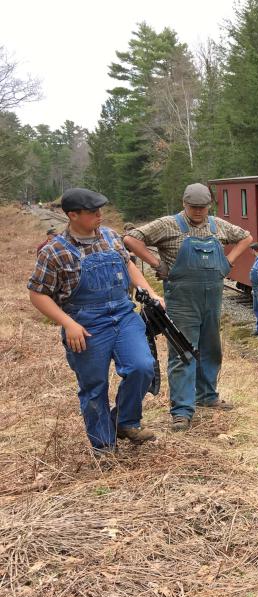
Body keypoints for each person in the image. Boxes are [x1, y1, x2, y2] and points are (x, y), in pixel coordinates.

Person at [27, 188, 158, 459]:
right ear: (72, 215)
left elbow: (128, 264)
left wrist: (149, 291)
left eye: (101, 210)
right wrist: (68, 323)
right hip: (85, 323)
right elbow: (37, 293)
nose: (100, 215)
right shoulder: (54, 252)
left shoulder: (110, 236)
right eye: (93, 212)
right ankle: (103, 447)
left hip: (123, 314)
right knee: (94, 386)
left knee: (142, 367)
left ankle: (125, 421)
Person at [123, 183, 252, 431]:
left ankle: (207, 396)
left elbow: (246, 237)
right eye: (193, 207)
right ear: (184, 204)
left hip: (212, 297)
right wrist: (156, 263)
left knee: (211, 347)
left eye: (202, 208)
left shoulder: (216, 225)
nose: (198, 212)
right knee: (183, 350)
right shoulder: (167, 224)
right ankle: (182, 410)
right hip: (181, 300)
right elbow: (130, 239)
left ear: (209, 206)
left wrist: (228, 262)